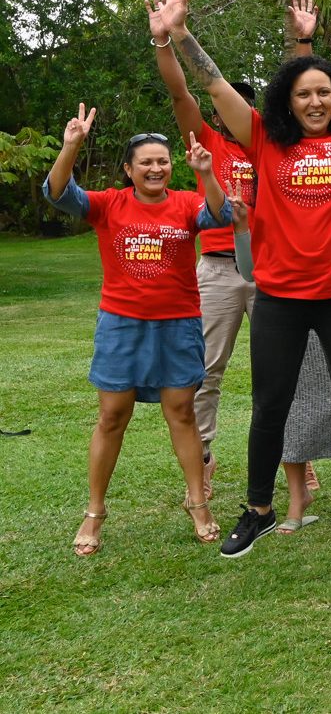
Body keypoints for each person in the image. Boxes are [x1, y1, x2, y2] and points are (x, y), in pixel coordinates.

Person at [157, 0, 331, 558]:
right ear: (287, 101)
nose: (315, 102)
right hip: (278, 299)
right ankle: (258, 508)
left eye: (324, 92)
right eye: (304, 94)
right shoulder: (262, 140)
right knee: (270, 405)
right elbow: (213, 84)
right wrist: (179, 33)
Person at [47, 112, 230, 555]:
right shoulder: (109, 203)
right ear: (129, 169)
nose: (155, 169)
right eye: (145, 162)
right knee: (112, 416)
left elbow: (220, 214)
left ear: (172, 166)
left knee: (182, 413)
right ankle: (95, 513)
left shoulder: (186, 203)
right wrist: (71, 144)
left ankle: (198, 503)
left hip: (177, 324)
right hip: (121, 325)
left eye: (163, 162)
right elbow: (57, 194)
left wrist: (206, 173)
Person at [230, 153, 331, 534]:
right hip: (286, 316)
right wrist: (240, 226)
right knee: (287, 408)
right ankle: (295, 498)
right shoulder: (267, 205)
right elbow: (249, 270)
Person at [149, 0, 265, 501]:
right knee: (207, 371)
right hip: (217, 270)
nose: (226, 115)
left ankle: (295, 459)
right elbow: (181, 96)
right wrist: (163, 42)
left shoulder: (270, 145)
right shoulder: (209, 142)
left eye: (238, 105)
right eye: (222, 107)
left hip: (268, 270)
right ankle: (205, 458)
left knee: (278, 368)